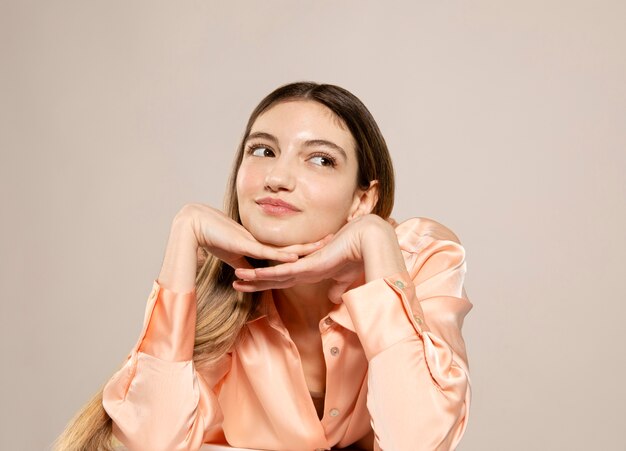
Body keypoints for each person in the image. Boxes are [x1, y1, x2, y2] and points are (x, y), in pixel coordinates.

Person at [54, 81, 473, 451]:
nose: (277, 176)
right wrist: (184, 232)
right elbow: (152, 442)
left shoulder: (416, 256)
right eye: (263, 150)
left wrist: (374, 239)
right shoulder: (209, 279)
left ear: (363, 199)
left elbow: (418, 442)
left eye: (320, 159)